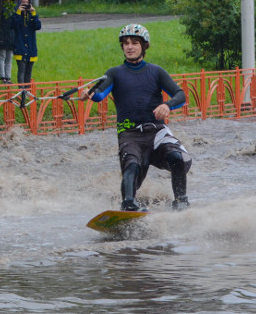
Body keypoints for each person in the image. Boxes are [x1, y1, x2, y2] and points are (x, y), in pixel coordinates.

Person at [80, 24, 191, 211]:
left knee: (176, 157)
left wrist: (167, 105)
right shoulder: (114, 73)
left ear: (144, 46)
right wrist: (89, 94)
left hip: (156, 131)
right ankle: (129, 205)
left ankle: (181, 202)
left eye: (134, 43)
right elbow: (99, 94)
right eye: (126, 43)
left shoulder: (156, 72)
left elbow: (180, 95)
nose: (129, 47)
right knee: (132, 166)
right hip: (129, 133)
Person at [10, 0, 41, 87]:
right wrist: (18, 12)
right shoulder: (17, 15)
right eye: (23, 2)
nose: (25, 4)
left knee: (28, 71)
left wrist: (33, 13)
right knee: (21, 70)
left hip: (31, 47)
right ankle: (21, 90)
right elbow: (13, 25)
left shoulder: (32, 15)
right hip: (20, 46)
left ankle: (28, 90)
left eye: (27, 3)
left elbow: (38, 26)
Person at [0, 0, 16, 84]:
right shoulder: (0, 6)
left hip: (12, 34)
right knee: (2, 55)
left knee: (9, 57)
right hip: (2, 33)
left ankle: (8, 77)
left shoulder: (14, 6)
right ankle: (2, 77)